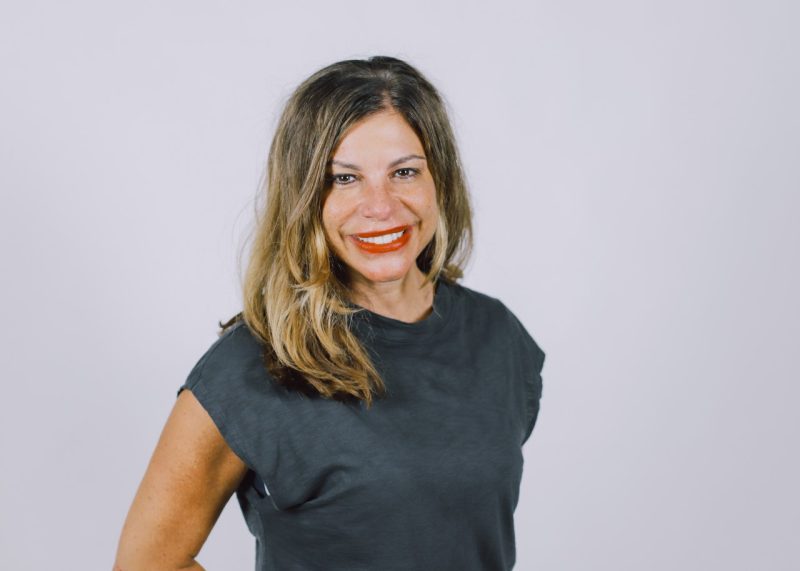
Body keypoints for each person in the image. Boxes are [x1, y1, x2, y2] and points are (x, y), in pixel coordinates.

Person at [113, 55, 546, 571]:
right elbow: (147, 563)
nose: (380, 206)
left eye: (404, 172)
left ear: (440, 182)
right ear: (304, 197)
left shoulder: (498, 338)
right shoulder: (250, 367)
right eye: (344, 179)